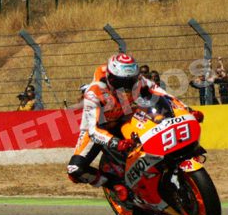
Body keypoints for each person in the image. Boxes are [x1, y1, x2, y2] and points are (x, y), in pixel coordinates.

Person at [67, 53, 200, 200]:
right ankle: (114, 185)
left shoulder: (138, 80)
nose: (125, 87)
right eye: (119, 82)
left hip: (125, 118)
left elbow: (160, 93)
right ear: (110, 78)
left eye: (129, 81)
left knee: (154, 127)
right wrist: (115, 142)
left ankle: (163, 166)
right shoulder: (94, 93)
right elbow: (92, 130)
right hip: (100, 128)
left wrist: (187, 109)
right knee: (75, 170)